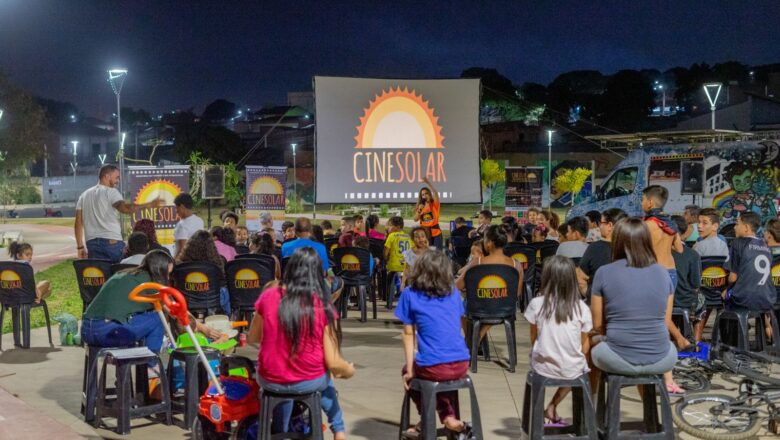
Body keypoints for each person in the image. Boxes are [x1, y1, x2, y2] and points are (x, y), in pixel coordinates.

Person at [248, 247, 354, 439]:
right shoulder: (322, 306)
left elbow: (253, 337)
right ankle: (338, 430)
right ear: (318, 275)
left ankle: (281, 430)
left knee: (286, 379)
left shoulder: (269, 296)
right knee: (325, 383)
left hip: (270, 379)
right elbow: (333, 362)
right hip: (308, 381)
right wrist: (348, 369)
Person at [589, 218, 678, 394]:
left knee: (589, 345)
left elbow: (598, 325)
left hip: (617, 356)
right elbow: (666, 321)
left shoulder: (604, 272)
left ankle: (592, 404)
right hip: (663, 358)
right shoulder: (662, 272)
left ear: (617, 241)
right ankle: (649, 414)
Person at [395, 251, 473, 437]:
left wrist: (411, 369)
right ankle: (444, 418)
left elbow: (408, 333)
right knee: (435, 378)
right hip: (462, 362)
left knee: (410, 374)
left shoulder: (410, 294)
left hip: (434, 365)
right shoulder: (454, 293)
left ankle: (439, 417)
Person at [524, 256, 592, 426]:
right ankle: (553, 405)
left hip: (542, 366)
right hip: (572, 368)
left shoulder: (536, 304)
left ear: (546, 278)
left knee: (541, 356)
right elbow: (584, 346)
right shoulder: (582, 308)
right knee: (578, 367)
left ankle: (549, 408)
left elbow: (534, 338)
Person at [81, 250, 173, 353]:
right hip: (107, 332)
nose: (168, 278)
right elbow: (172, 310)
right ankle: (151, 364)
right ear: (159, 270)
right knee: (157, 319)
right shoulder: (150, 283)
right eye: (167, 274)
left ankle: (138, 362)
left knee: (144, 319)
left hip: (86, 330)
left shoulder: (125, 273)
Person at [75, 164, 163, 263]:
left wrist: (80, 247)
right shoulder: (111, 192)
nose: (118, 181)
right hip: (112, 242)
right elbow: (125, 208)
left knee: (101, 276)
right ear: (107, 176)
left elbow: (78, 223)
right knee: (119, 273)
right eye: (117, 177)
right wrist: (149, 205)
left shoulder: (83, 196)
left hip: (91, 244)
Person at [456, 225, 523, 341]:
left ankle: (472, 339)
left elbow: (458, 286)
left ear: (490, 243)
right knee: (495, 303)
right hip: (505, 309)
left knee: (457, 304)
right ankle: (476, 338)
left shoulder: (478, 262)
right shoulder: (517, 265)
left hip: (478, 308)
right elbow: (516, 293)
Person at [724, 212, 776, 312]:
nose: (734, 227)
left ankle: (737, 326)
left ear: (746, 227)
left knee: (725, 297)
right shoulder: (765, 245)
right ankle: (766, 325)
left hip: (744, 299)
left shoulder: (738, 243)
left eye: (737, 224)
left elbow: (732, 278)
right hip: (767, 298)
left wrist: (726, 289)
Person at [669, 216, 703, 348]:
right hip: (685, 301)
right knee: (702, 302)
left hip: (663, 302)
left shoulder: (659, 253)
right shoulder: (692, 254)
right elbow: (695, 284)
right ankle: (694, 341)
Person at [176, 230, 229, 313]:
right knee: (226, 290)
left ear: (189, 246)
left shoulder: (180, 265)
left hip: (186, 302)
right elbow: (222, 281)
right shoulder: (217, 263)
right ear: (211, 247)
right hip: (213, 302)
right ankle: (227, 318)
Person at [577, 208, 627, 296]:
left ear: (610, 225)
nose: (599, 226)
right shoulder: (632, 248)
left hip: (598, 301)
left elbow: (580, 278)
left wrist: (589, 295)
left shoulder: (595, 248)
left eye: (601, 223)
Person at [642, 185, 683, 289]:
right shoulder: (671, 223)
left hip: (652, 272)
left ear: (650, 202)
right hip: (670, 272)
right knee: (668, 305)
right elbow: (679, 249)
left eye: (643, 200)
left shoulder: (646, 225)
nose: (641, 203)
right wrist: (666, 245)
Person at [384, 216, 412, 300]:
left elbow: (386, 251)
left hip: (393, 265)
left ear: (397, 227)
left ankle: (388, 296)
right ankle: (402, 292)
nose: (388, 228)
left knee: (389, 277)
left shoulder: (392, 236)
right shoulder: (408, 236)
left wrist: (385, 259)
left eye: (390, 225)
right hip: (406, 266)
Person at [414, 176, 443, 249]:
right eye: (422, 195)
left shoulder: (434, 204)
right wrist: (419, 210)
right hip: (425, 234)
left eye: (426, 193)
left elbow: (435, 192)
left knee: (436, 253)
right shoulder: (420, 206)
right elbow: (415, 219)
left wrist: (427, 182)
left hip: (436, 233)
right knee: (427, 254)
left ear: (429, 194)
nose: (424, 196)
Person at [173, 193, 205, 259]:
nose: (176, 211)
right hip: (198, 259)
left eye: (176, 208)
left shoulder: (182, 225)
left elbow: (182, 250)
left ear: (182, 206)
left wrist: (173, 264)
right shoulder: (200, 221)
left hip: (184, 263)